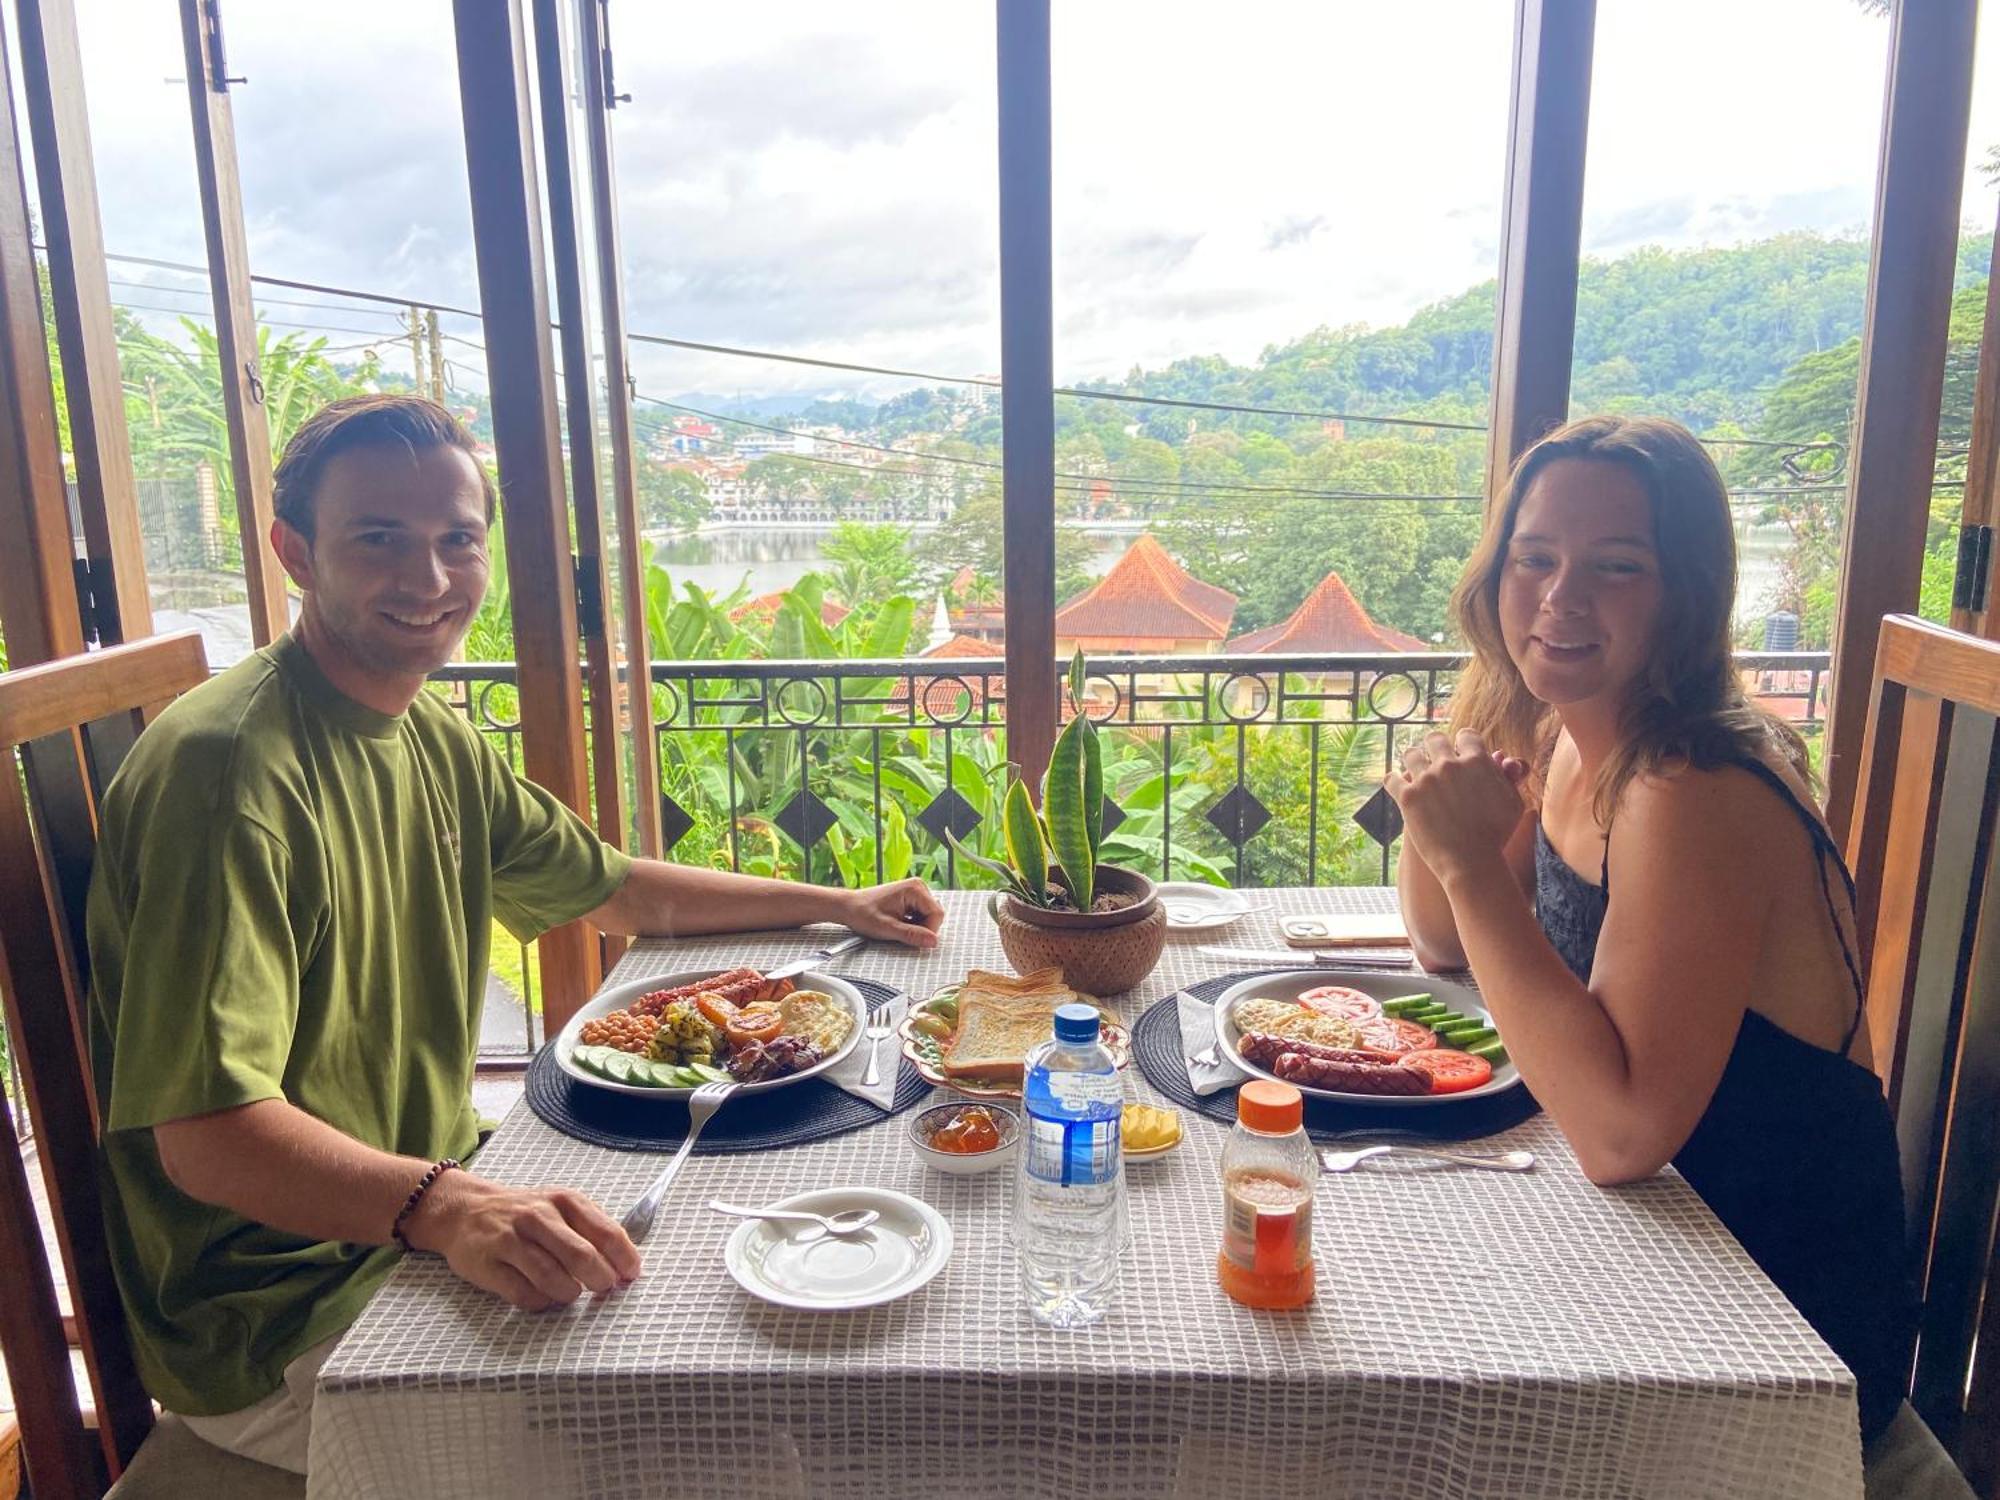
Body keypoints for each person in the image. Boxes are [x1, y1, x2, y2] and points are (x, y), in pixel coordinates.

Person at [85, 394, 945, 1474]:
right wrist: (448, 1209)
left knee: (777, 1308)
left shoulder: (424, 730)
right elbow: (205, 1135)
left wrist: (835, 905)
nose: (429, 579)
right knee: (716, 1425)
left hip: (414, 1202)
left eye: (457, 541)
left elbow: (618, 891)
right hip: (277, 1309)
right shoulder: (227, 776)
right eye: (380, 540)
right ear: (294, 552)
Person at [1388, 415, 1952, 1485]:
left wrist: (1463, 863)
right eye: (1533, 559)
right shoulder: (1563, 732)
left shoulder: (1685, 787)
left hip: (1773, 1318)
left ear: (1683, 593)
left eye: (1615, 568)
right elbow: (1437, 942)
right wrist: (1455, 795)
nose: (1560, 597)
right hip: (1654, 1249)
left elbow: (1617, 1134)